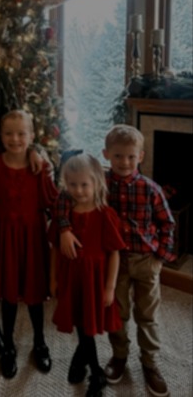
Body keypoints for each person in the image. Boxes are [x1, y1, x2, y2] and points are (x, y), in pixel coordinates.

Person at [57, 124, 176, 397]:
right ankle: (119, 356)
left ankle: (150, 363)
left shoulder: (150, 189)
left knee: (147, 315)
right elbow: (66, 195)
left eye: (131, 157)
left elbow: (167, 224)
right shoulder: (100, 184)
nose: (125, 162)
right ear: (106, 154)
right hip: (115, 262)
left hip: (146, 260)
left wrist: (160, 258)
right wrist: (63, 227)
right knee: (117, 313)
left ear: (141, 156)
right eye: (119, 156)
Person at [0, 109, 58, 382]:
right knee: (8, 296)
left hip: (33, 240)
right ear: (1, 135)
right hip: (5, 241)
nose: (15, 139)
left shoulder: (40, 167)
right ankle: (9, 347)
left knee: (34, 295)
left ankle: (40, 342)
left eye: (21, 134)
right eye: (9, 133)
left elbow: (53, 202)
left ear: (31, 136)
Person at [49, 153, 125, 397]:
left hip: (95, 281)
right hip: (71, 278)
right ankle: (82, 362)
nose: (79, 190)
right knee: (81, 323)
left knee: (87, 328)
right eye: (72, 185)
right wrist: (53, 278)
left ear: (96, 183)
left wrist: (110, 287)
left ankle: (95, 372)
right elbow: (54, 250)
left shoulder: (105, 215)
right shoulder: (64, 217)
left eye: (84, 185)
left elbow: (114, 253)